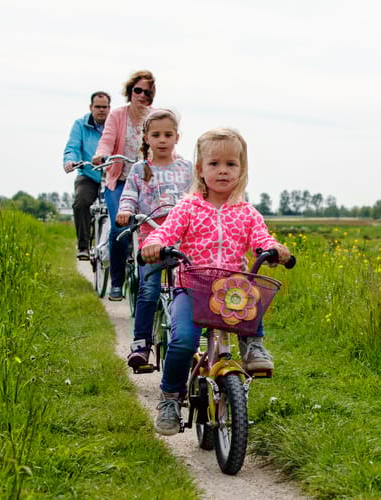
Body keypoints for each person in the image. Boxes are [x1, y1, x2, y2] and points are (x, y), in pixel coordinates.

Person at [140, 128, 291, 436]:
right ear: (200, 169)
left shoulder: (247, 213)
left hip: (232, 290)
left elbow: (261, 239)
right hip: (192, 287)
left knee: (251, 294)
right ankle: (170, 397)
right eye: (214, 164)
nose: (223, 170)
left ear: (241, 169)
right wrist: (153, 244)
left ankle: (252, 345)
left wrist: (274, 250)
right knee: (183, 341)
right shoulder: (188, 207)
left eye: (231, 164)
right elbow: (166, 232)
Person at [115, 109, 193, 371]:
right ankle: (141, 345)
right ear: (146, 138)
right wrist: (126, 211)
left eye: (168, 135)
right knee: (148, 291)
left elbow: (199, 195)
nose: (162, 140)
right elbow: (129, 195)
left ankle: (194, 342)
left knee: (192, 288)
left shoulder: (186, 168)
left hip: (183, 238)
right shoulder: (140, 169)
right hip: (152, 239)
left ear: (177, 137)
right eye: (156, 134)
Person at [93, 70, 156, 301]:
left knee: (154, 227)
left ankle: (152, 284)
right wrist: (101, 155)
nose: (142, 95)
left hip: (146, 183)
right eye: (138, 90)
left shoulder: (156, 116)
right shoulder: (118, 115)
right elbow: (107, 140)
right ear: (130, 92)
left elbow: (164, 142)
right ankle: (117, 283)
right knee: (120, 227)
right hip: (120, 180)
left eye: (147, 92)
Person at [63, 91, 111, 260]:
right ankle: (83, 246)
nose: (101, 110)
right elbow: (72, 147)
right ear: (91, 107)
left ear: (109, 108)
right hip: (89, 173)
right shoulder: (80, 125)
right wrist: (70, 161)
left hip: (111, 175)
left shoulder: (115, 124)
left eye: (104, 107)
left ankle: (125, 247)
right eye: (97, 107)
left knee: (124, 206)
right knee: (81, 202)